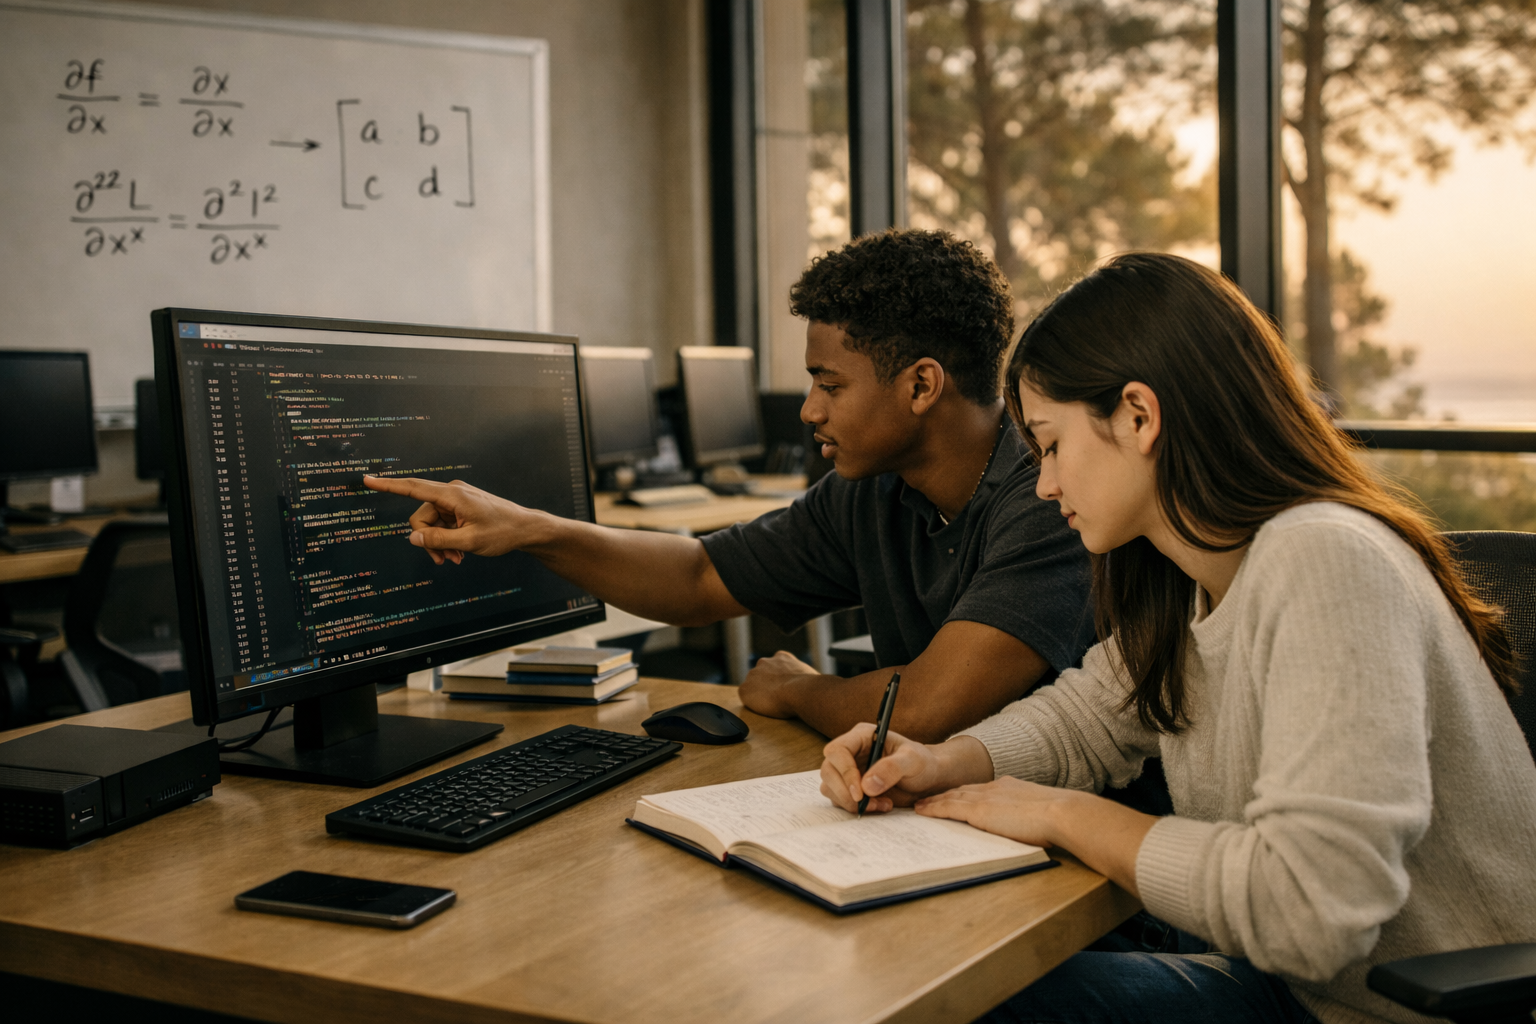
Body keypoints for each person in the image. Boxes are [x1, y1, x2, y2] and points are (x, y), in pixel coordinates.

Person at [819, 252, 1536, 1023]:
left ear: (1138, 415)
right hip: (1295, 989)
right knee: (941, 982)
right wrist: (937, 761)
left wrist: (1064, 815)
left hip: (1391, 1012)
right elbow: (1089, 715)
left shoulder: (1325, 560)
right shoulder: (1200, 580)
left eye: (1053, 446)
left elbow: (1312, 912)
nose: (1046, 484)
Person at [363, 229, 1094, 742]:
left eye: (829, 384)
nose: (810, 410)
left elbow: (928, 711)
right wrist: (534, 530)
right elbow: (701, 575)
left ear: (922, 385)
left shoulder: (1051, 496)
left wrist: (798, 689)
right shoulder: (875, 493)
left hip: (1093, 885)